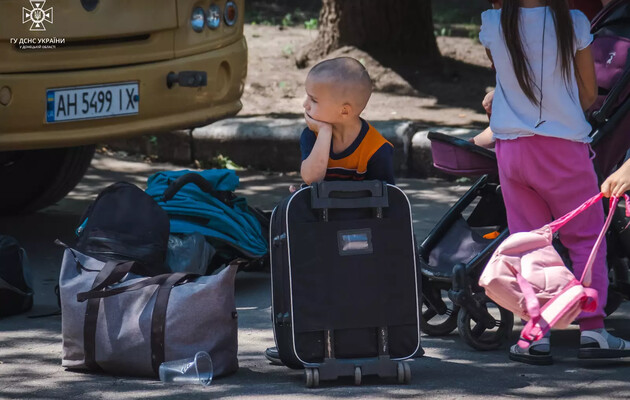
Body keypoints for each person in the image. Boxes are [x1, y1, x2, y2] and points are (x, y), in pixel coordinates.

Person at [479, 0, 630, 365]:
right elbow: (588, 95)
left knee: (529, 242)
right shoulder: (574, 23)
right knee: (585, 238)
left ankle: (536, 334)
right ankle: (592, 330)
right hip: (563, 148)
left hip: (512, 149)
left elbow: (506, 80)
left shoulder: (492, 23)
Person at [266, 56, 395, 365]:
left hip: (362, 242)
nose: (305, 105)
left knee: (356, 288)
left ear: (344, 111)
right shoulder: (311, 135)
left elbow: (387, 203)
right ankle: (303, 339)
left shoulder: (377, 149)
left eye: (313, 99)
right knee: (313, 284)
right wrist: (323, 133)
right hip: (320, 235)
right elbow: (311, 177)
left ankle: (369, 338)